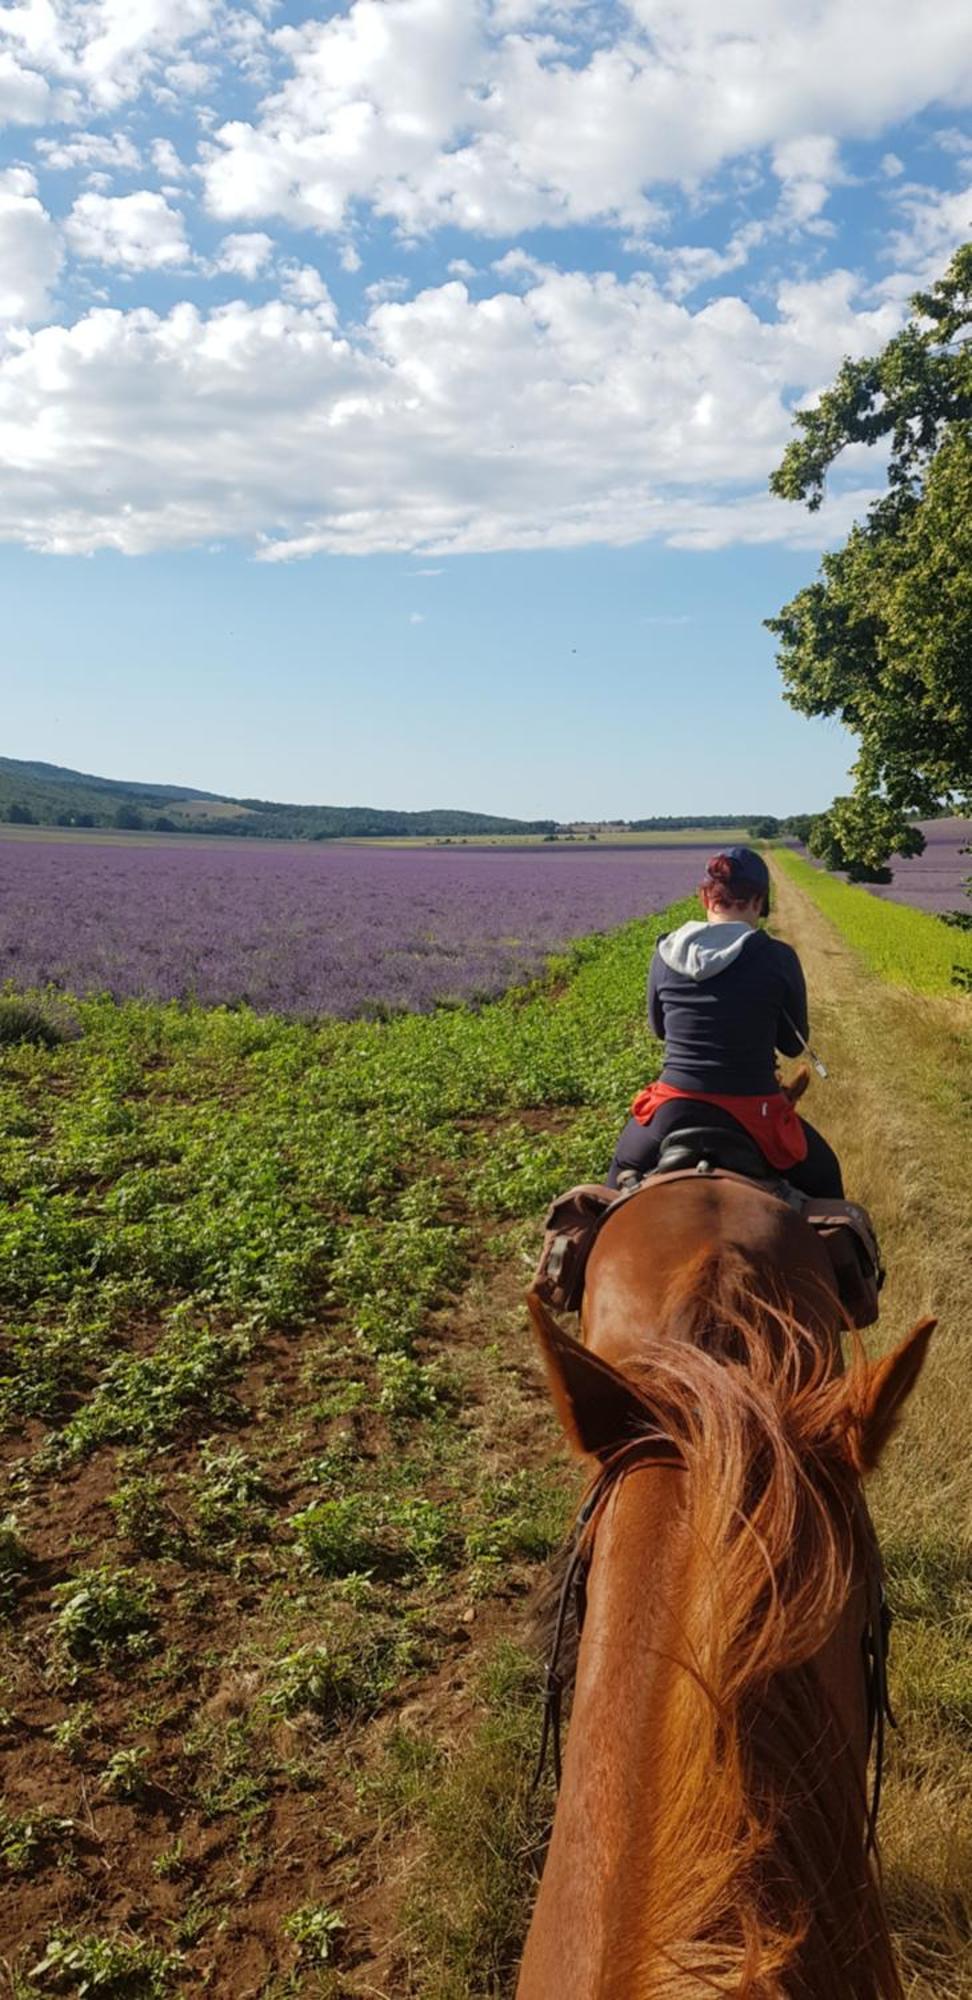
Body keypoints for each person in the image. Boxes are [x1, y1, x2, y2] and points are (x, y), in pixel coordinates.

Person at [606, 846, 844, 1198]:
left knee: (612, 1188)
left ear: (706, 897)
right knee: (826, 1177)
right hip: (755, 1112)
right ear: (759, 901)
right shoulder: (778, 957)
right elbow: (792, 1046)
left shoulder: (664, 953)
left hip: (673, 1106)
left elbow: (659, 1030)